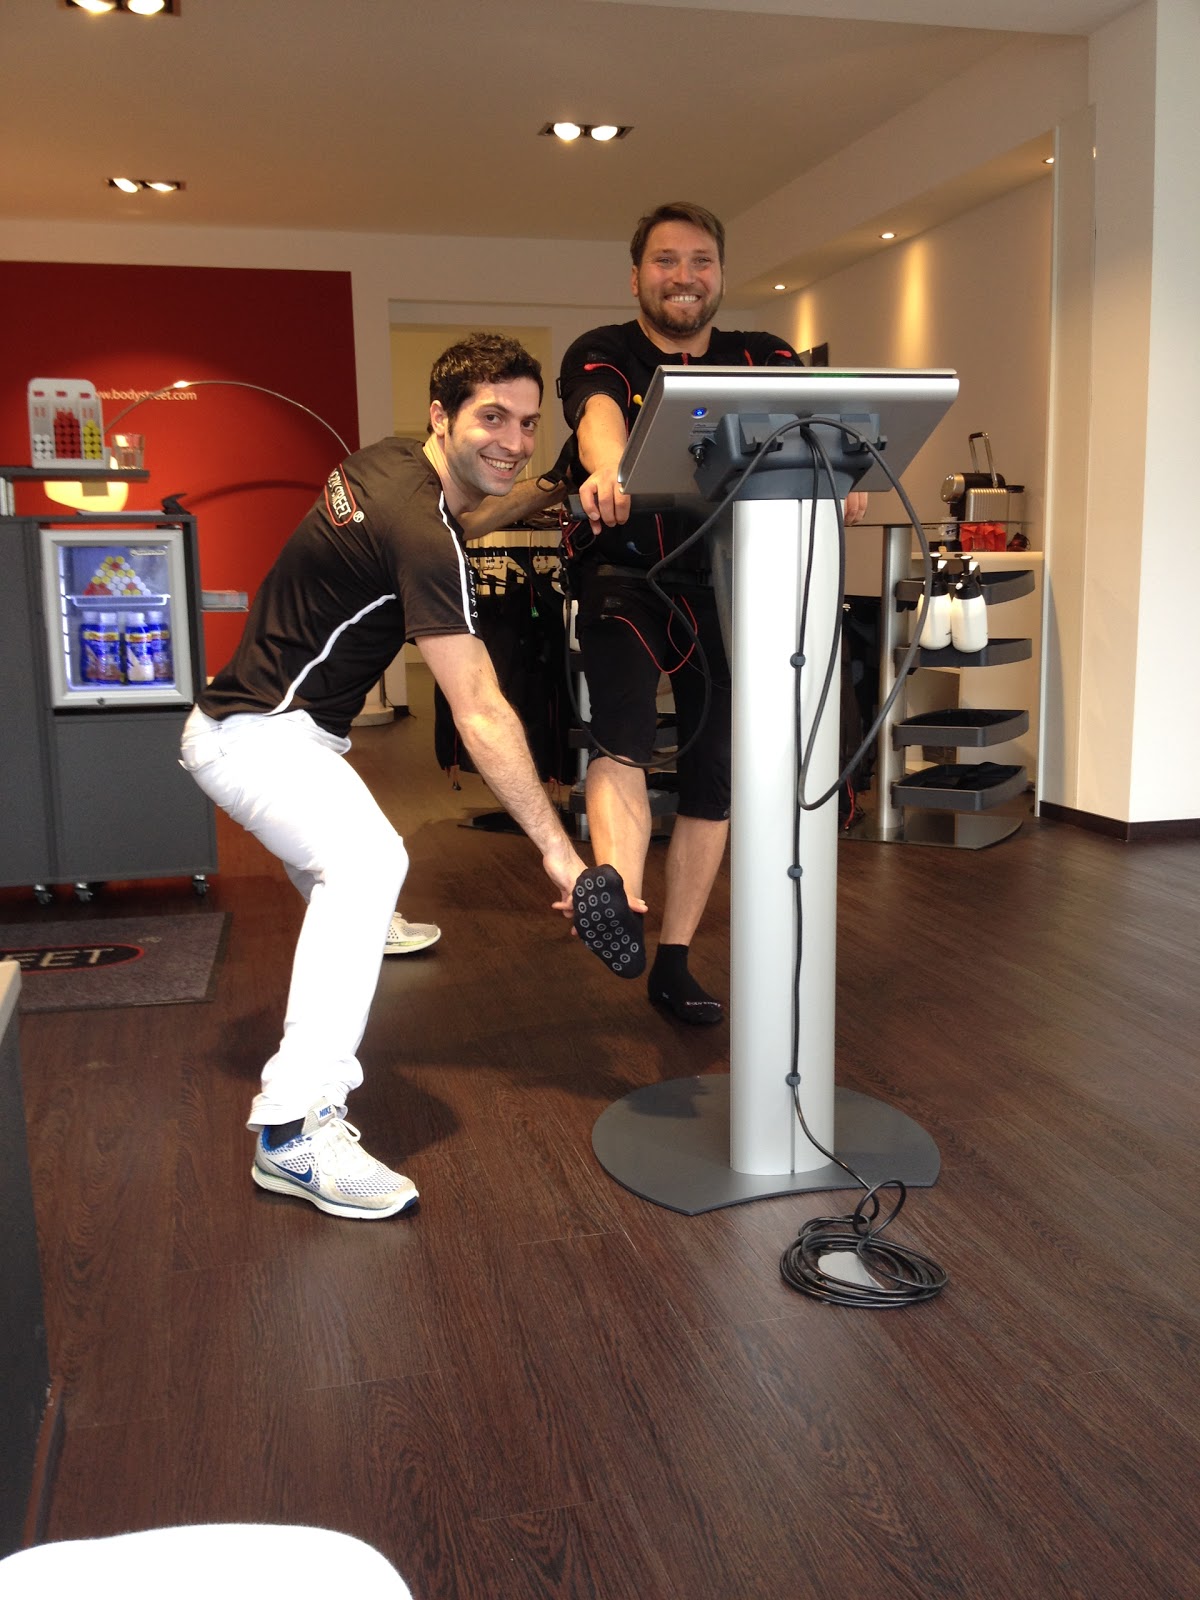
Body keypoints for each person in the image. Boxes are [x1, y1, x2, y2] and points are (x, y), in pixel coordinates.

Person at [179, 333, 588, 1220]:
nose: (514, 440)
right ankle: (293, 1132)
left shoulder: (392, 464)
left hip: (270, 723)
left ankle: (366, 928)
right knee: (367, 862)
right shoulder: (419, 529)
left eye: (528, 423)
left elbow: (455, 527)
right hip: (256, 737)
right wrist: (560, 852)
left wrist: (547, 489)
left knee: (354, 869)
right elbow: (480, 710)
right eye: (493, 418)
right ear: (443, 416)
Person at [559, 201, 866, 1024]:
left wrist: (843, 471)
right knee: (623, 727)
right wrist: (608, 471)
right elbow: (598, 418)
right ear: (636, 276)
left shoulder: (763, 355)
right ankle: (618, 899)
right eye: (666, 260)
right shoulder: (604, 349)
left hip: (728, 581)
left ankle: (674, 962)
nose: (684, 276)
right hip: (624, 569)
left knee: (714, 772)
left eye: (701, 261)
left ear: (721, 275)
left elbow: (817, 425)